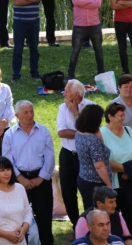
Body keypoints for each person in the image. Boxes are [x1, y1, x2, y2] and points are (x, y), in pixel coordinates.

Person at [3, 100, 55, 245]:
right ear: (17, 115)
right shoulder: (10, 134)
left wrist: (41, 178)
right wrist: (20, 178)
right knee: (19, 219)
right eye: (25, 112)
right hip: (19, 180)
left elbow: (50, 156)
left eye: (31, 111)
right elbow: (7, 159)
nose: (29, 115)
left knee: (44, 218)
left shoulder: (43, 131)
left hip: (41, 178)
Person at [57, 79, 96, 227]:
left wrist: (75, 112)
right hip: (67, 154)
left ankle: (91, 224)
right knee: (68, 192)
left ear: (76, 95)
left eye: (66, 91)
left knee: (88, 191)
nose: (63, 93)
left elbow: (92, 133)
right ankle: (76, 225)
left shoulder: (91, 107)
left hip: (85, 156)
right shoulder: (62, 108)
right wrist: (82, 132)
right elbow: (61, 132)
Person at [68, 0, 104, 79]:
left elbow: (98, 3)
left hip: (94, 24)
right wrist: (90, 0)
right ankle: (70, 75)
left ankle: (102, 73)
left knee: (98, 50)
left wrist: (82, 0)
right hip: (79, 25)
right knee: (75, 51)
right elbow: (75, 2)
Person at [10, 0, 44, 82]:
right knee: (18, 49)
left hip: (34, 22)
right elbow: (16, 1)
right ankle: (16, 75)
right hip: (19, 22)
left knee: (34, 49)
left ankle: (35, 73)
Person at [75, 104, 113, 210]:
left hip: (84, 179)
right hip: (95, 184)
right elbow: (99, 166)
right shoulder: (93, 140)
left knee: (90, 211)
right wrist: (109, 185)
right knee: (97, 215)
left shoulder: (79, 133)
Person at [101, 102, 132, 231]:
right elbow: (103, 161)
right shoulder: (102, 134)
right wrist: (127, 169)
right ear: (110, 116)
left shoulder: (129, 131)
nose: (123, 118)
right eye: (120, 116)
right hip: (114, 180)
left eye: (123, 115)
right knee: (116, 217)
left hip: (130, 179)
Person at [110, 0, 132, 75]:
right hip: (119, 21)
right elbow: (113, 6)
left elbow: (118, 3)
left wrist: (122, 2)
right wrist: (129, 3)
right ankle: (125, 70)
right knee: (122, 48)